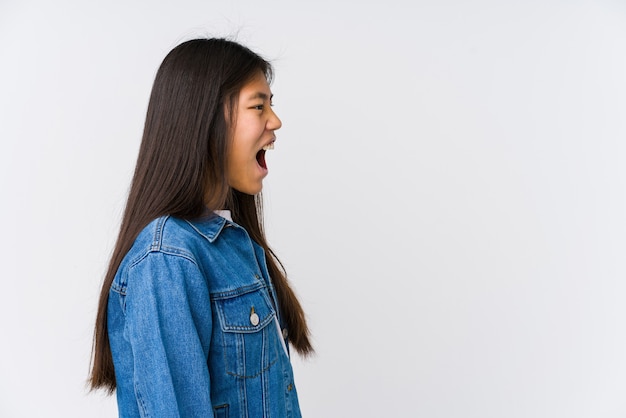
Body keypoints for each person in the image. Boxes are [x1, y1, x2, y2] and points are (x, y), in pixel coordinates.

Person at [89, 38, 313, 417]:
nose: (275, 121)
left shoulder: (233, 244)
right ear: (206, 118)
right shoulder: (167, 260)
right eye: (259, 106)